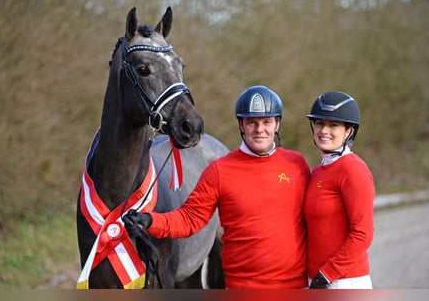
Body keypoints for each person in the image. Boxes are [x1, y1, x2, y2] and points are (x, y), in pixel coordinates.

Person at [123, 85, 310, 288]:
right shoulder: (220, 170)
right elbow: (190, 218)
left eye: (267, 122)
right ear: (241, 125)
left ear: (277, 124)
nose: (259, 130)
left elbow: (317, 218)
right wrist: (150, 221)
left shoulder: (297, 164)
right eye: (252, 122)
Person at [304, 91, 375, 289]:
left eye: (333, 125)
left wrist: (327, 275)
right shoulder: (318, 170)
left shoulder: (353, 170)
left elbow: (363, 233)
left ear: (348, 132)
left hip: (344, 281)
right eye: (319, 123)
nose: (324, 130)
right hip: (316, 280)